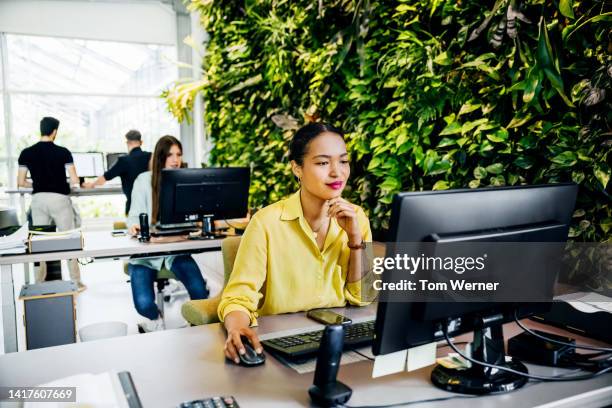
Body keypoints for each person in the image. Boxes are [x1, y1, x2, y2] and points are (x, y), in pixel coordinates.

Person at [219, 122, 372, 364]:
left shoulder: (357, 217)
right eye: (323, 163)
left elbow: (363, 297)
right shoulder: (266, 223)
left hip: (339, 341)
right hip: (279, 344)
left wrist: (356, 240)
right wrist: (236, 328)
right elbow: (238, 297)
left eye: (343, 161)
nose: (337, 172)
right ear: (297, 168)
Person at [127, 135, 209, 332]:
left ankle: (195, 326)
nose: (175, 159)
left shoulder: (184, 181)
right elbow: (133, 218)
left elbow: (192, 217)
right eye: (170, 155)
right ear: (160, 157)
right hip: (145, 256)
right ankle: (155, 318)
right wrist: (136, 226)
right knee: (144, 304)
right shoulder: (143, 181)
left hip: (175, 250)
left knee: (200, 292)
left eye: (179, 154)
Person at [17, 116, 85, 290]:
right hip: (59, 199)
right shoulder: (63, 152)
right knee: (69, 239)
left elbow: (21, 182)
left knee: (39, 243)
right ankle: (76, 282)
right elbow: (75, 179)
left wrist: (40, 184)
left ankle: (39, 283)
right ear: (54, 131)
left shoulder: (26, 152)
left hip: (39, 200)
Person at [82, 130, 151, 215]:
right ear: (141, 142)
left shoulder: (124, 160)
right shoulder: (151, 156)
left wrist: (91, 184)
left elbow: (104, 178)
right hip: (151, 205)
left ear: (127, 143)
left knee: (133, 227)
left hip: (133, 207)